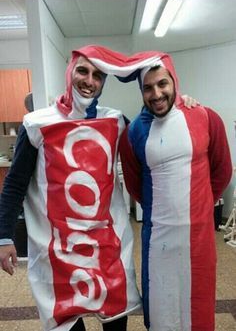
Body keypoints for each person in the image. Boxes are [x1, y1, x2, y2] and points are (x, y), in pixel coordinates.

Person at [0, 45, 197, 331]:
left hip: (106, 248)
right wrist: (4, 236)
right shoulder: (37, 123)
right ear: (70, 73)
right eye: (83, 71)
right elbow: (15, 184)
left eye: (98, 75)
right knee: (68, 322)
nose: (89, 80)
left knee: (116, 321)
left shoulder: (114, 120)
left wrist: (180, 106)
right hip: (59, 249)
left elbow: (152, 131)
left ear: (104, 82)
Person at [119, 51, 233, 331]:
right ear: (141, 91)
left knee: (198, 306)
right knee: (161, 306)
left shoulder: (206, 117)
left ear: (174, 82)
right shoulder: (133, 132)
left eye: (162, 84)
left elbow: (222, 169)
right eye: (148, 87)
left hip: (199, 237)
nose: (157, 93)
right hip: (158, 239)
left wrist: (201, 206)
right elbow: (135, 186)